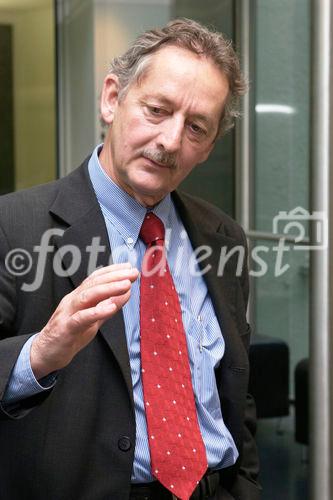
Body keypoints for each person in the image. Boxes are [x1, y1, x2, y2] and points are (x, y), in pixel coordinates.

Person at [0, 18, 260, 500]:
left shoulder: (223, 237)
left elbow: (233, 390)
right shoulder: (13, 226)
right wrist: (39, 355)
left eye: (196, 127)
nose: (170, 141)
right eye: (157, 110)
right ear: (112, 98)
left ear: (209, 147)